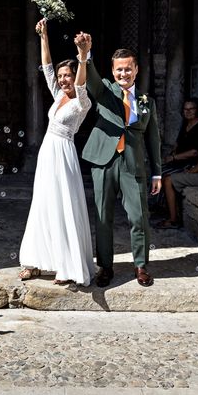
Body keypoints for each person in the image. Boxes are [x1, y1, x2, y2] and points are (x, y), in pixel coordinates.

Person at [76, 32, 161, 288]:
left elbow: (153, 139)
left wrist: (157, 172)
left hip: (133, 164)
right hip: (104, 162)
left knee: (139, 217)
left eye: (128, 69)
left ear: (136, 69)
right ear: (113, 72)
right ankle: (105, 267)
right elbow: (90, 78)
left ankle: (141, 266)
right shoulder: (104, 92)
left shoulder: (147, 102)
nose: (124, 74)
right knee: (103, 217)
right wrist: (84, 53)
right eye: (119, 70)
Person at [18, 19, 95, 286]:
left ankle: (67, 265)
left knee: (64, 206)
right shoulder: (57, 94)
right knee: (42, 204)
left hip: (64, 156)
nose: (63, 79)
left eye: (68, 75)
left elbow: (83, 84)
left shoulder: (81, 103)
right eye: (62, 76)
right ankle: (36, 260)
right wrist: (43, 35)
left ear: (76, 76)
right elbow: (47, 67)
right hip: (47, 154)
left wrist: (83, 56)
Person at [162, 97, 198, 176]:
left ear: (197, 110)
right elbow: (177, 142)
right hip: (177, 161)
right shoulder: (185, 124)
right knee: (155, 172)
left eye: (191, 109)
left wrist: (174, 157)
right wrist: (172, 154)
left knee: (161, 176)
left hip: (190, 164)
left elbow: (195, 152)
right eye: (185, 109)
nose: (188, 111)